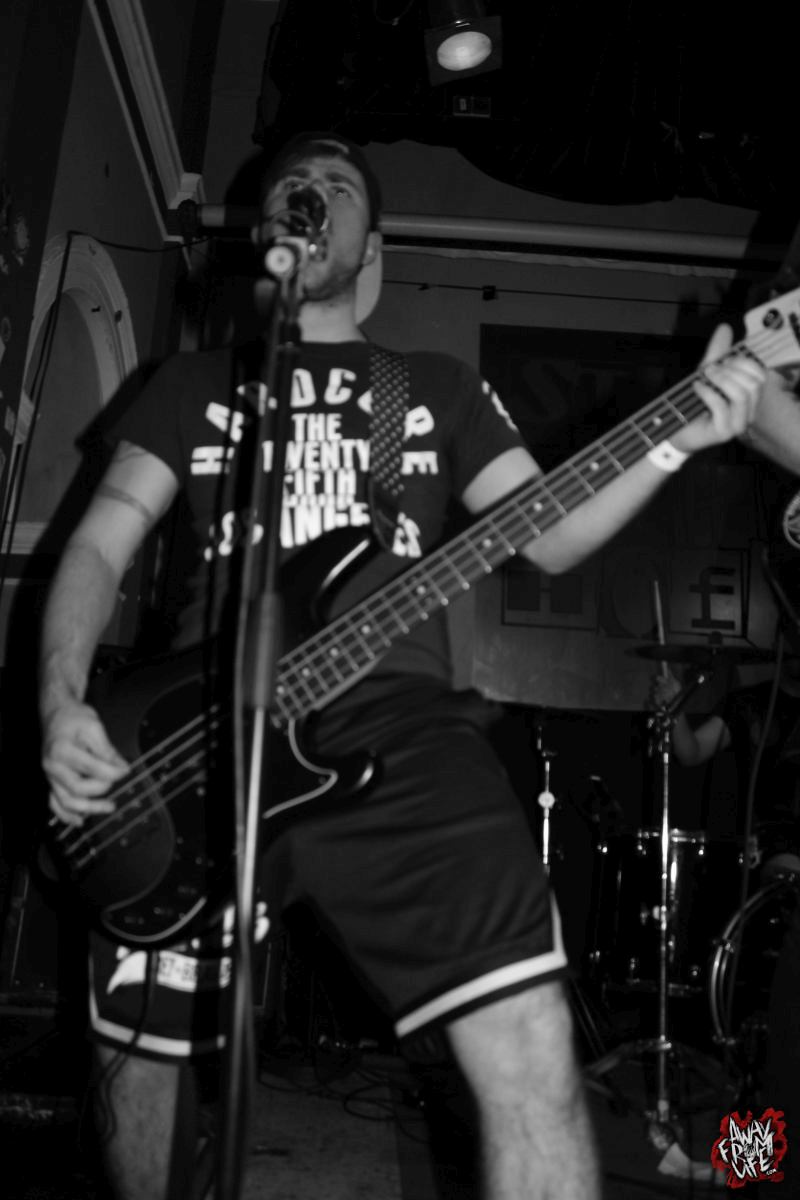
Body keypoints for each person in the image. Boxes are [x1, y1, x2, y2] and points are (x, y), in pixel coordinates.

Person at [37, 128, 782, 1200]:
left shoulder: (431, 389)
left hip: (398, 731)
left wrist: (675, 436)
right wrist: (62, 702)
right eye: (293, 184)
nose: (310, 192)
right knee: (139, 1062)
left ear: (373, 251)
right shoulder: (192, 382)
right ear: (264, 233)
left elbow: (546, 535)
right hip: (191, 737)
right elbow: (100, 547)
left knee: (527, 1041)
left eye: (336, 186)